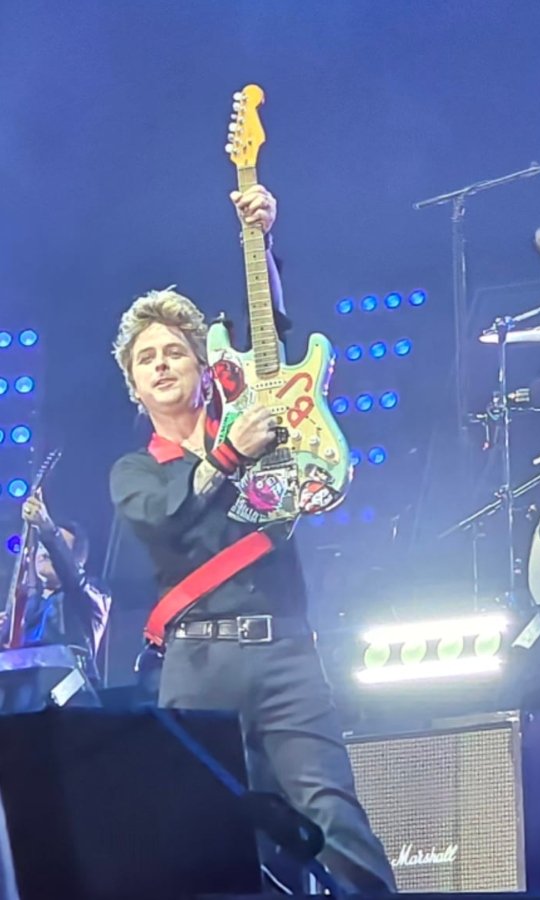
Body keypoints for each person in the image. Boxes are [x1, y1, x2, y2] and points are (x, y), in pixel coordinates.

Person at [110, 184, 395, 894]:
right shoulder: (135, 472)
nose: (162, 364)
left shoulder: (260, 425)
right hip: (196, 663)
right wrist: (227, 456)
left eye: (175, 352)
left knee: (334, 819)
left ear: (205, 367)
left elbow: (272, 339)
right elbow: (166, 515)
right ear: (134, 387)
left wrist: (259, 240)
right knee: (200, 838)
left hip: (286, 653)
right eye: (147, 359)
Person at [0, 493, 111, 686]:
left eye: (53, 547)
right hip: (24, 697)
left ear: (78, 560)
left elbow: (74, 579)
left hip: (69, 695)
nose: (44, 551)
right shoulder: (25, 607)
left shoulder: (93, 595)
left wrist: (47, 529)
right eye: (42, 546)